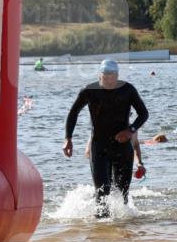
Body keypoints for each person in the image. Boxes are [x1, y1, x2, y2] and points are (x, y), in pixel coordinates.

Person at [63, 60, 149, 217]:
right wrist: (68, 138)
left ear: (118, 75)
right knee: (103, 191)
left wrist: (130, 131)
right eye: (106, 76)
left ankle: (121, 232)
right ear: (99, 75)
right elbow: (73, 112)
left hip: (122, 147)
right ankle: (101, 229)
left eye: (113, 76)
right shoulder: (89, 91)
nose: (110, 80)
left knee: (122, 192)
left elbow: (144, 113)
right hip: (99, 146)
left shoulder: (127, 90)